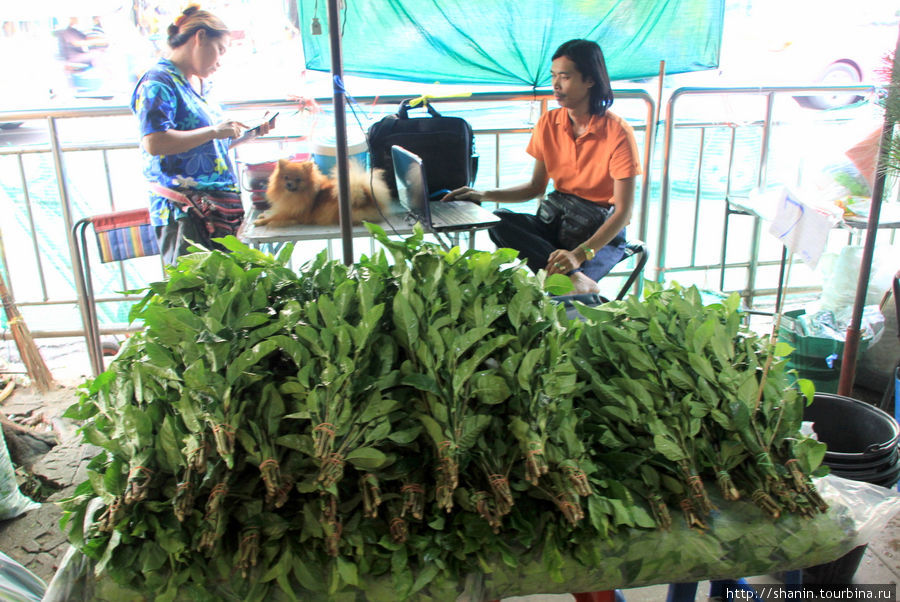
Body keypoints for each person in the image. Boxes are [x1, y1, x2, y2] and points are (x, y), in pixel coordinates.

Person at [444, 39, 641, 294]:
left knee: (561, 282)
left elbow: (623, 213)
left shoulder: (618, 133)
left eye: (565, 77)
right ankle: (573, 278)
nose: (556, 85)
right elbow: (535, 188)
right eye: (553, 76)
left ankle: (571, 277)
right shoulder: (549, 122)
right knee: (499, 220)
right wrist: (482, 194)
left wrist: (579, 255)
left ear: (590, 80)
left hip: (599, 234)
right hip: (558, 223)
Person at [130, 4, 272, 263]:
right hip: (186, 213)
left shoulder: (198, 85)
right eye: (220, 50)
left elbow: (205, 148)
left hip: (218, 208)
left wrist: (247, 134)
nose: (219, 61)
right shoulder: (158, 82)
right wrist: (213, 131)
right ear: (200, 37)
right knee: (198, 294)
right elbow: (155, 142)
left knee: (231, 292)